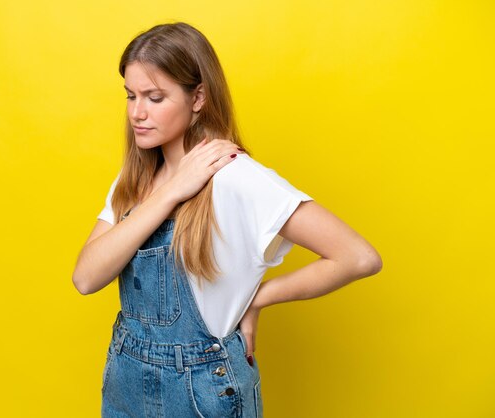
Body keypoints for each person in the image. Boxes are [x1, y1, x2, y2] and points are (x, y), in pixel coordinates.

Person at [73, 22, 382, 418]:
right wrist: (171, 191)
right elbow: (86, 277)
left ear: (198, 97)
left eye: (155, 97)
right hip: (125, 382)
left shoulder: (236, 176)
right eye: (131, 96)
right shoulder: (137, 179)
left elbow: (358, 257)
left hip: (201, 393)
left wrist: (256, 301)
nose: (137, 112)